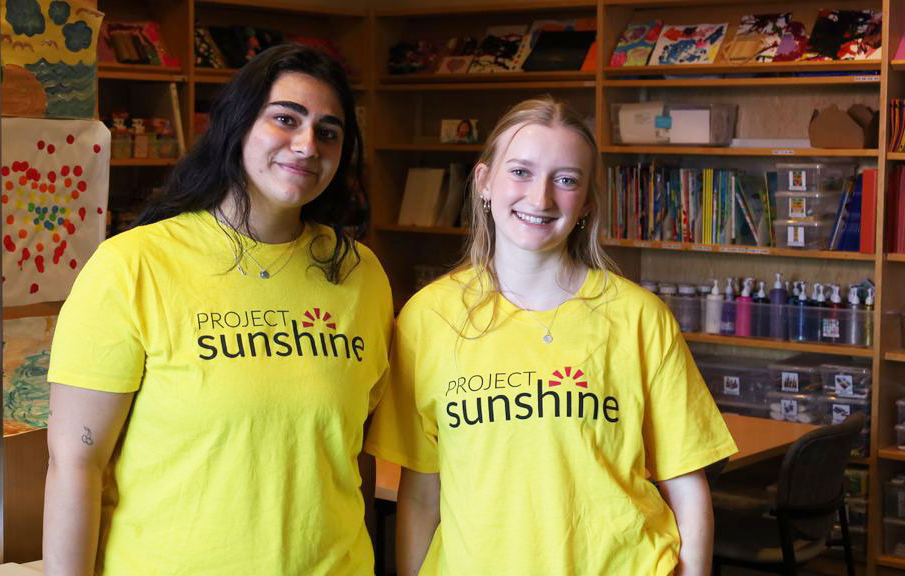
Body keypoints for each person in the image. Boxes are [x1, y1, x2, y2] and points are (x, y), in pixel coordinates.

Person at [43, 44, 393, 575]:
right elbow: (75, 464)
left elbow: (350, 456)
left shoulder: (360, 274)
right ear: (237, 126)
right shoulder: (134, 265)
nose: (307, 144)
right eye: (285, 118)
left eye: (328, 131)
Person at [365, 96, 736, 576]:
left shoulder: (640, 317)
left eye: (565, 180)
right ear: (483, 182)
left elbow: (687, 485)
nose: (540, 198)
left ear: (585, 203)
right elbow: (420, 492)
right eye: (520, 171)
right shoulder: (426, 319)